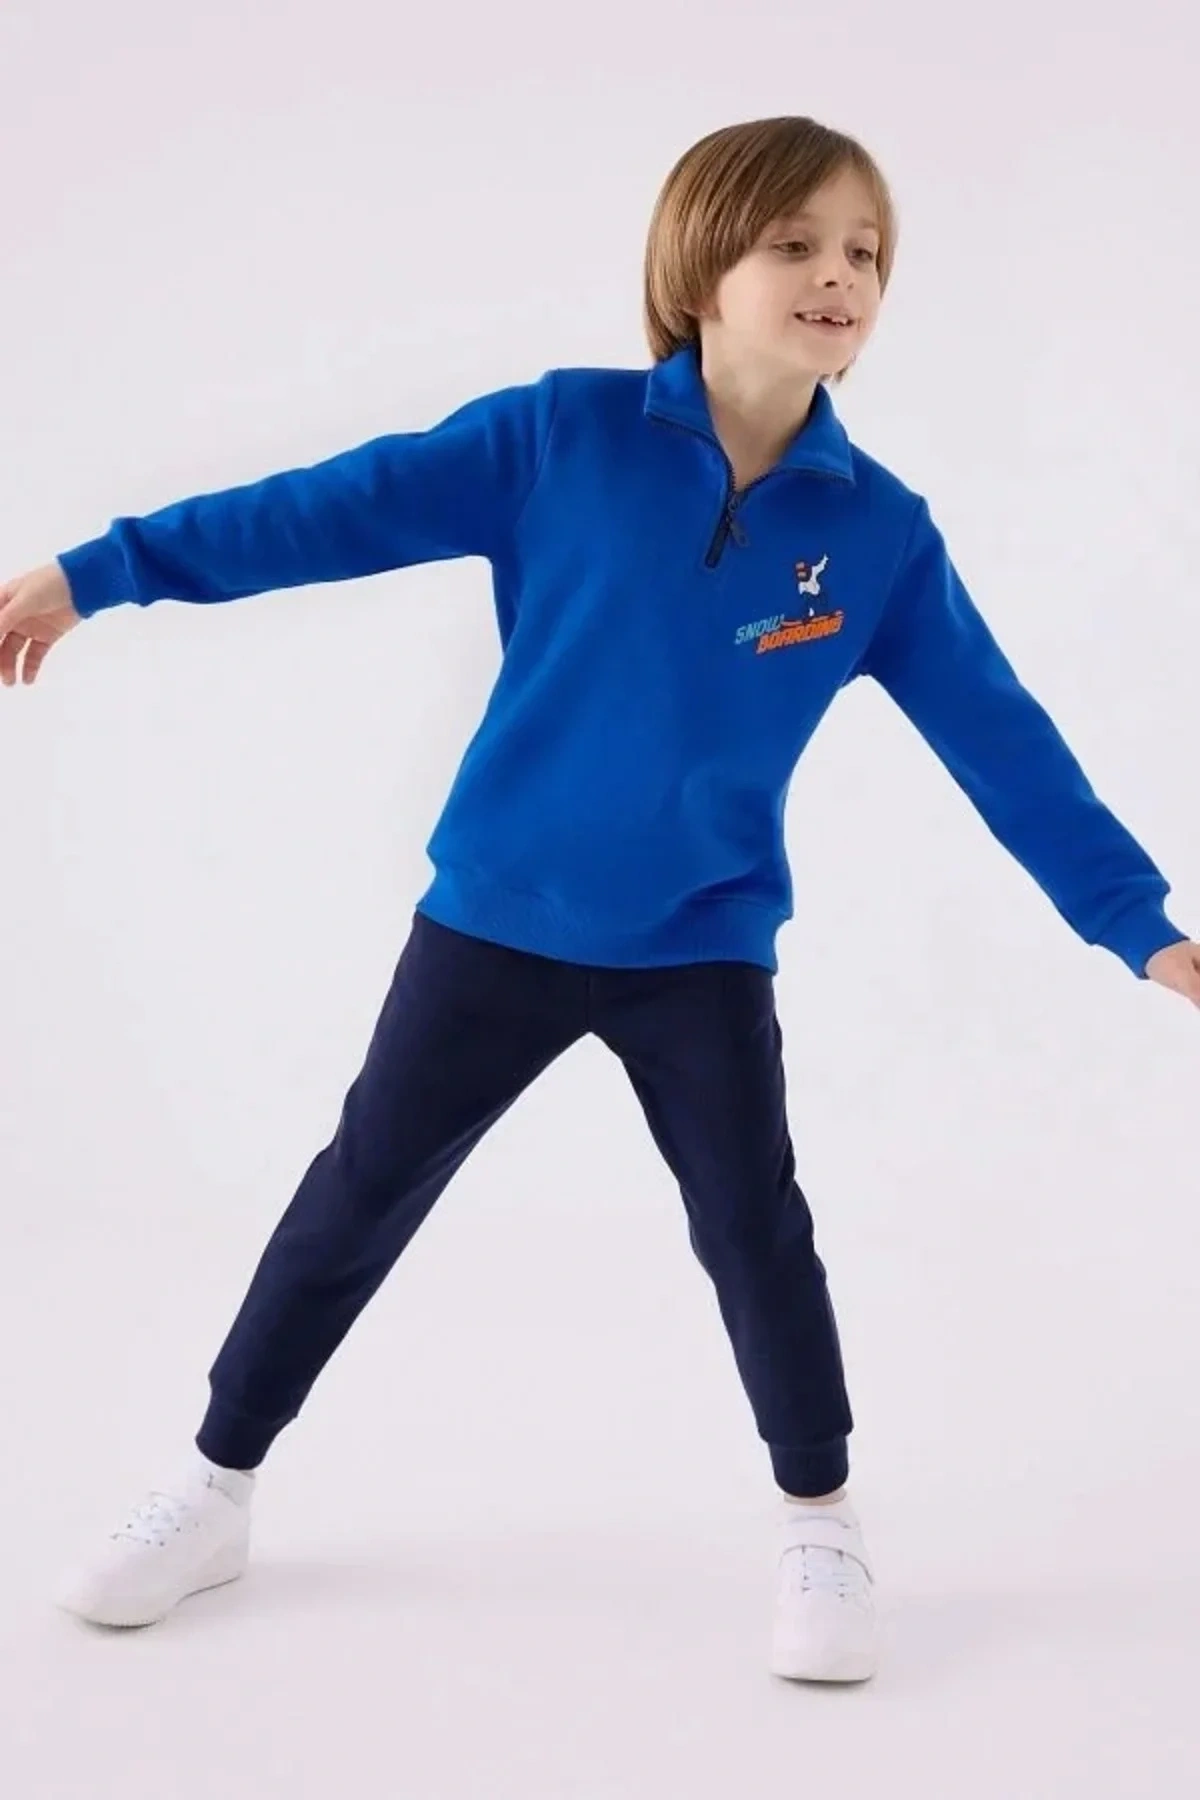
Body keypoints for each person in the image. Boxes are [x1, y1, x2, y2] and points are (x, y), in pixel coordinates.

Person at [4, 114, 1197, 1687]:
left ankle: (822, 1522)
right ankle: (214, 1488)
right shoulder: (557, 438)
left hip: (699, 947)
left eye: (865, 253)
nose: (839, 275)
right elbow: (323, 509)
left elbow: (1006, 745)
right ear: (701, 270)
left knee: (755, 1229)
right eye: (797, 244)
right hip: (495, 922)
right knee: (357, 1193)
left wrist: (1140, 923)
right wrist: (101, 571)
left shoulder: (879, 536)